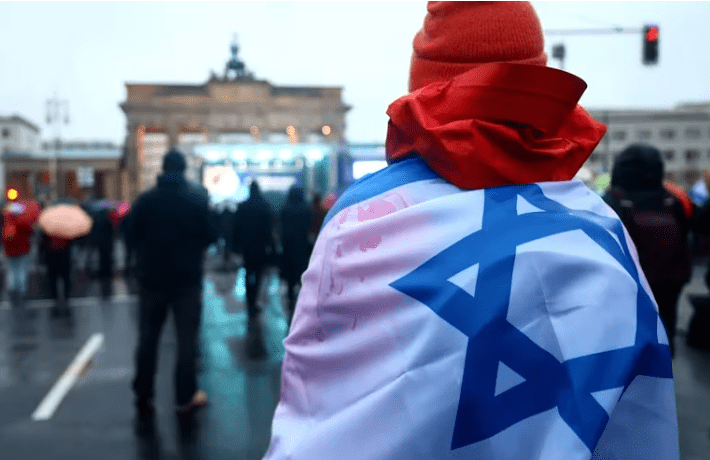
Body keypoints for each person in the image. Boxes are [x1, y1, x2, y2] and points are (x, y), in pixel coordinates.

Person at [263, 3, 678, 459]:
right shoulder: (602, 230)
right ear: (535, 86)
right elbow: (638, 416)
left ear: (423, 90)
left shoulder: (359, 218)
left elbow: (317, 392)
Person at [127, 149, 218, 428]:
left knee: (148, 339)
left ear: (163, 170)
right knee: (186, 342)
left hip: (152, 279)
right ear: (184, 169)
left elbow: (129, 235)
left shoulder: (145, 200)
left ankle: (143, 394)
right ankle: (184, 398)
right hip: (187, 281)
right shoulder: (197, 199)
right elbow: (210, 236)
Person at [603, 143, 710, 357]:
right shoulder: (675, 197)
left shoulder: (612, 199)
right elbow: (700, 224)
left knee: (626, 331)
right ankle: (664, 368)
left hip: (627, 280)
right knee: (666, 323)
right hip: (670, 277)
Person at [232, 181, 275, 319]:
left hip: (246, 247)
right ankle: (254, 299)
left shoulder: (243, 207)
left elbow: (236, 228)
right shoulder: (265, 206)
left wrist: (235, 246)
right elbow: (269, 229)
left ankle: (249, 300)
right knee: (258, 274)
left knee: (248, 272)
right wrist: (271, 246)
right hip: (261, 247)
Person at [279, 186, 312, 325]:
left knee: (290, 279)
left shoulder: (285, 209)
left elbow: (281, 229)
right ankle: (302, 302)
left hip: (288, 248)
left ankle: (291, 300)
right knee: (302, 276)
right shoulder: (306, 209)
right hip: (302, 248)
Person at [2, 202, 35, 305]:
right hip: (23, 250)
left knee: (11, 270)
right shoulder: (23, 222)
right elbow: (30, 233)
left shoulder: (6, 222)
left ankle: (12, 290)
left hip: (9, 250)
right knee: (21, 270)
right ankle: (22, 290)